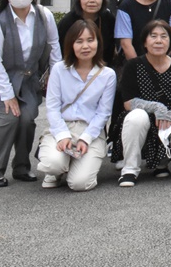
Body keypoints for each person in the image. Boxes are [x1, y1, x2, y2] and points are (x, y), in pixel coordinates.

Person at [0, 0, 62, 187]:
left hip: (28, 78)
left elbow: (54, 48)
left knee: (26, 119)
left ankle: (22, 167)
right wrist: (7, 95)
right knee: (9, 118)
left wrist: (56, 76)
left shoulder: (44, 15)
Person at [36, 20, 117, 191]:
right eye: (79, 41)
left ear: (98, 42)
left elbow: (103, 113)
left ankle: (74, 164)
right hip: (62, 127)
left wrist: (85, 139)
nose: (85, 46)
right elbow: (52, 107)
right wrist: (62, 135)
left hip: (91, 132)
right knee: (53, 164)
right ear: (71, 44)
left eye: (90, 40)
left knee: (79, 184)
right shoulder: (59, 69)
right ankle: (56, 170)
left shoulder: (107, 75)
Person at [111, 19, 171, 187]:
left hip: (167, 125)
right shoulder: (133, 66)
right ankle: (130, 169)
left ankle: (160, 164)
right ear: (145, 42)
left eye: (164, 36)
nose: (158, 40)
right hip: (140, 121)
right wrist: (157, 108)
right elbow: (128, 103)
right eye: (153, 36)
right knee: (137, 116)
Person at [58, 0, 117, 67]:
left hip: (102, 69)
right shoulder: (68, 21)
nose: (92, 0)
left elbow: (111, 49)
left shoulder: (108, 19)